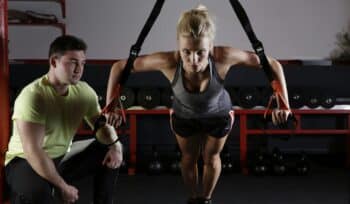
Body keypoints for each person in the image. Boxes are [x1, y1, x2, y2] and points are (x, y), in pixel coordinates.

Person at [106, 5, 291, 204]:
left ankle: (206, 199)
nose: (193, 60)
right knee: (188, 158)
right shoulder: (168, 61)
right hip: (184, 116)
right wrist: (111, 106)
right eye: (186, 51)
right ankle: (193, 199)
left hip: (218, 115)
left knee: (211, 158)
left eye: (200, 52)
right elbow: (118, 67)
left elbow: (272, 64)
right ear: (179, 45)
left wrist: (284, 103)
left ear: (210, 46)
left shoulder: (223, 57)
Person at [5, 35, 123, 204]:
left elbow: (101, 127)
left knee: (110, 149)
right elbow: (33, 151)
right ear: (54, 62)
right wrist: (63, 187)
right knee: (36, 193)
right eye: (73, 62)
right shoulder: (33, 96)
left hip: (62, 156)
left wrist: (115, 145)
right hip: (25, 160)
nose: (79, 69)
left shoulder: (84, 92)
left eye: (82, 63)